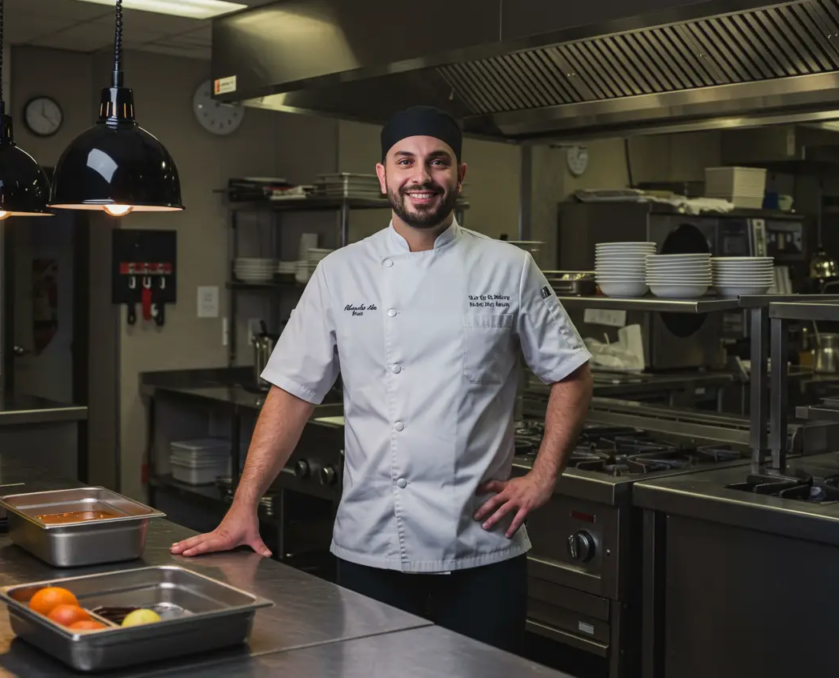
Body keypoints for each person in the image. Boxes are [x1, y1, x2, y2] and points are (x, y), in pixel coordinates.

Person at [171, 105, 594, 654]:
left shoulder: (508, 268)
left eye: (438, 162)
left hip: (483, 549)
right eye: (406, 162)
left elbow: (573, 374)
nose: (422, 176)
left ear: (459, 175)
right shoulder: (340, 272)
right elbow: (293, 392)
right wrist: (244, 503)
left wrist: (542, 478)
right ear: (383, 176)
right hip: (370, 544)